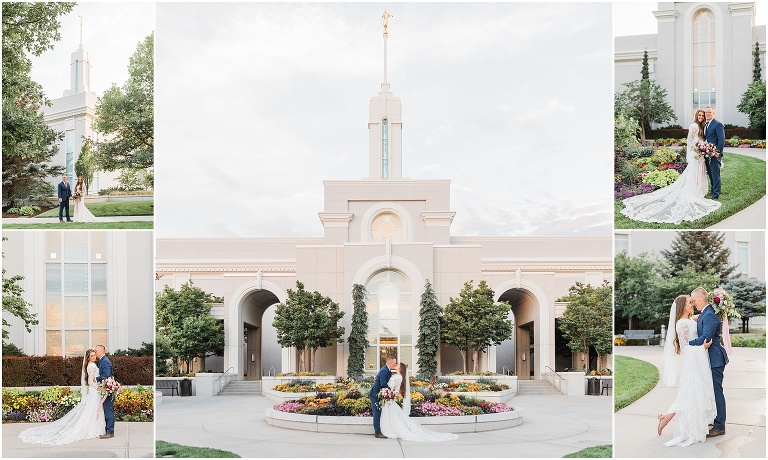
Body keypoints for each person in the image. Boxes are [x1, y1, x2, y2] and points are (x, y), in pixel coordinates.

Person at [620, 109, 721, 224]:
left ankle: (700, 189)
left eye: (703, 115)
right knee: (694, 171)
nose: (701, 117)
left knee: (700, 171)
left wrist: (704, 149)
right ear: (696, 116)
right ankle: (693, 190)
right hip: (696, 153)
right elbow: (690, 141)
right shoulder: (694, 126)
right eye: (700, 115)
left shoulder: (703, 126)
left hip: (701, 154)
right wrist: (697, 150)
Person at [658, 295, 716, 447]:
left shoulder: (691, 319)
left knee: (693, 393)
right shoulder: (681, 324)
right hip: (692, 361)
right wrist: (702, 348)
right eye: (690, 302)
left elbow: (704, 313)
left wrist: (718, 304)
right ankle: (666, 418)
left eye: (692, 301)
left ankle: (666, 416)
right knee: (689, 393)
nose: (693, 304)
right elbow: (685, 348)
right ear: (682, 306)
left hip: (698, 361)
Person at [18, 349, 106, 444]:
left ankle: (93, 428)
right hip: (94, 391)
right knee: (92, 409)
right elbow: (90, 382)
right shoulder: (91, 366)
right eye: (92, 356)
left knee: (93, 410)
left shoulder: (92, 365)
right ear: (88, 357)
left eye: (94, 355)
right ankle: (92, 429)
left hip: (95, 391)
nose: (94, 357)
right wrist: (99, 387)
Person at [380, 363, 458, 442]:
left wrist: (387, 393)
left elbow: (394, 389)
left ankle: (391, 430)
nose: (396, 365)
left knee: (391, 415)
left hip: (389, 398)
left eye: (398, 365)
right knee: (391, 415)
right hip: (389, 398)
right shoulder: (397, 376)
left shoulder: (398, 377)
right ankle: (391, 429)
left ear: (400, 368)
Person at [689, 287, 729, 437]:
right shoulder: (705, 313)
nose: (693, 303)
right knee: (712, 391)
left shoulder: (710, 314)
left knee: (717, 392)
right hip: (710, 358)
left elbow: (706, 338)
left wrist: (687, 345)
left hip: (715, 359)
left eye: (694, 300)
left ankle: (720, 426)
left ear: (703, 297)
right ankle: (716, 420)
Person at [370, 356, 398, 438]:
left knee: (379, 413)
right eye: (394, 363)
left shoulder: (387, 370)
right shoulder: (384, 371)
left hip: (380, 394)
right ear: (390, 363)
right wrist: (391, 391)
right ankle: (377, 433)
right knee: (377, 413)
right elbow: (383, 384)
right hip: (375, 394)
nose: (395, 364)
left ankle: (379, 431)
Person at [703, 106, 725, 199]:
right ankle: (713, 190)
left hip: (715, 154)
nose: (707, 114)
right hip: (707, 153)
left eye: (709, 112)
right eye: (706, 112)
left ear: (713, 113)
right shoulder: (705, 124)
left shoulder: (718, 124)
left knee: (715, 173)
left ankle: (716, 194)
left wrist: (717, 152)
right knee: (710, 173)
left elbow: (721, 140)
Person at [95, 345, 115, 438]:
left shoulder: (105, 361)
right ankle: (108, 430)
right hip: (104, 388)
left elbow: (106, 375)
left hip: (107, 389)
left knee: (108, 410)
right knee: (106, 409)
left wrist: (96, 378)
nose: (95, 352)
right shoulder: (101, 361)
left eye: (96, 351)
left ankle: (110, 432)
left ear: (101, 351)